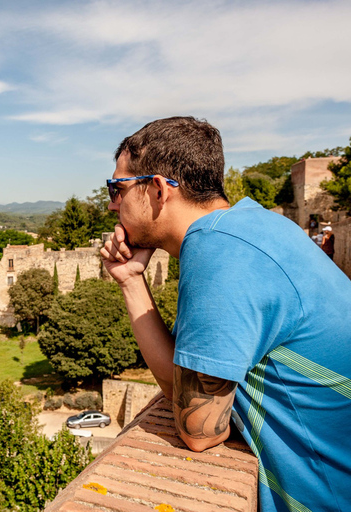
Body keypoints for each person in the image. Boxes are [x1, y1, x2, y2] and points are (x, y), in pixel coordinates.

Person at [100, 116, 351, 512]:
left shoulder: (220, 255)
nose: (113, 203)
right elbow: (187, 386)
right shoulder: (254, 225)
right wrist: (131, 281)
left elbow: (199, 431)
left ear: (159, 190)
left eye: (117, 188)